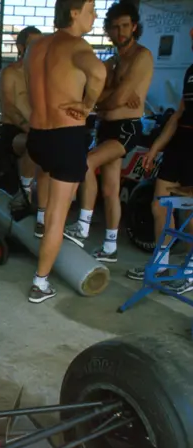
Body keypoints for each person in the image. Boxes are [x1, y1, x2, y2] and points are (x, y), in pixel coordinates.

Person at [24, 0, 106, 303]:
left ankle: (39, 222)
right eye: (91, 8)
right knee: (59, 216)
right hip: (65, 135)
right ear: (74, 12)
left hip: (38, 136)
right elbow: (97, 73)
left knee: (45, 179)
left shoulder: (35, 47)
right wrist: (86, 106)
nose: (95, 15)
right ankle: (40, 283)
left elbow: (29, 83)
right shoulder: (77, 45)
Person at [63, 0, 153, 262]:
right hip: (105, 126)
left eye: (125, 26)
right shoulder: (112, 61)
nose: (120, 32)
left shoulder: (141, 56)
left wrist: (108, 98)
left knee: (87, 163)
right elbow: (93, 95)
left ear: (134, 27)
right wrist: (110, 96)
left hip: (126, 128)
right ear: (108, 30)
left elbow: (111, 99)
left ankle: (82, 226)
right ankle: (111, 248)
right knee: (110, 190)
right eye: (114, 27)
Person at [125, 27, 193, 295]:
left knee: (190, 213)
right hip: (180, 147)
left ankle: (190, 271)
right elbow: (178, 116)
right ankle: (161, 263)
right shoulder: (190, 71)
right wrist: (154, 150)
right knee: (159, 207)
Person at [0, 27, 42, 202]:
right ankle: (24, 194)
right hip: (13, 129)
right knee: (35, 142)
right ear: (21, 47)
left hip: (37, 128)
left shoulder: (43, 75)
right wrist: (30, 128)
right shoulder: (9, 73)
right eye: (34, 44)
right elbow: (9, 108)